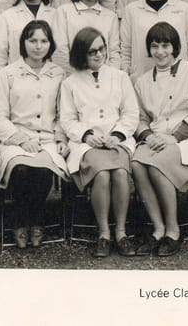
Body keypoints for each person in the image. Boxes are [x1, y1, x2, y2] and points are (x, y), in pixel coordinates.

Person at [60, 27, 140, 258]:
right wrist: (86, 135)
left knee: (121, 173)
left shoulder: (120, 77)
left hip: (117, 140)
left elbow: (131, 112)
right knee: (102, 174)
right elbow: (67, 119)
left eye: (102, 49)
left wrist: (118, 134)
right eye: (92, 51)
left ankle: (121, 233)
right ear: (81, 54)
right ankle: (104, 233)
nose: (99, 55)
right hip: (87, 144)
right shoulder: (70, 83)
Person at [132, 23, 188, 257]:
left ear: (175, 47)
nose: (160, 52)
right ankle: (158, 228)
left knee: (157, 165)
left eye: (165, 45)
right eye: (154, 46)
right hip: (156, 139)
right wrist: (148, 137)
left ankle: (173, 230)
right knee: (137, 164)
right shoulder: (142, 81)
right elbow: (141, 119)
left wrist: (173, 137)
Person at [0, 20, 69, 249]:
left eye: (44, 41)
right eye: (33, 40)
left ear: (50, 44)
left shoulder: (58, 73)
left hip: (47, 139)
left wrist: (61, 138)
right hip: (16, 139)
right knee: (22, 169)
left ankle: (36, 221)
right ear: (23, 43)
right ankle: (20, 221)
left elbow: (64, 113)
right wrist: (21, 140)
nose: (38, 46)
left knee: (44, 170)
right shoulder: (8, 73)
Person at [52, 0, 121, 71]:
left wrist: (105, 76)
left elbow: (114, 53)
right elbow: (60, 51)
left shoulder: (110, 16)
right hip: (72, 76)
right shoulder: (63, 12)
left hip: (103, 78)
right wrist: (78, 76)